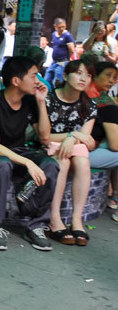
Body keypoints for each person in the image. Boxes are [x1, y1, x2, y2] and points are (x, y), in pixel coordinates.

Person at [0, 56, 56, 250]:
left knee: (51, 164)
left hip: (18, 151)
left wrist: (42, 103)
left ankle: (36, 224)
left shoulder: (30, 101)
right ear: (16, 81)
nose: (38, 80)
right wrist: (28, 163)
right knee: (3, 164)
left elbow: (44, 138)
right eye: (34, 75)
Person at [44, 60, 97, 246]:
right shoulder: (48, 100)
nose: (84, 78)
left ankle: (76, 219)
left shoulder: (89, 106)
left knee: (82, 160)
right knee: (64, 161)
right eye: (79, 73)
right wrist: (72, 134)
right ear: (65, 76)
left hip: (73, 147)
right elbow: (44, 136)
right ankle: (55, 218)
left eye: (89, 75)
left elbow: (87, 138)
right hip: (48, 146)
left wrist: (71, 138)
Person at [86, 61, 118, 221]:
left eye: (115, 77)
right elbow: (115, 145)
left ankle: (115, 197)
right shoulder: (106, 104)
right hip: (83, 153)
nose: (112, 80)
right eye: (108, 75)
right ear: (94, 76)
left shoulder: (82, 95)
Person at [45, 18, 75, 85]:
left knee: (57, 81)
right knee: (47, 79)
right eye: (59, 27)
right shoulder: (54, 34)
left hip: (62, 62)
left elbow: (72, 49)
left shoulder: (67, 35)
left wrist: (69, 58)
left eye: (63, 27)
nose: (61, 29)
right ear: (55, 26)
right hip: (54, 61)